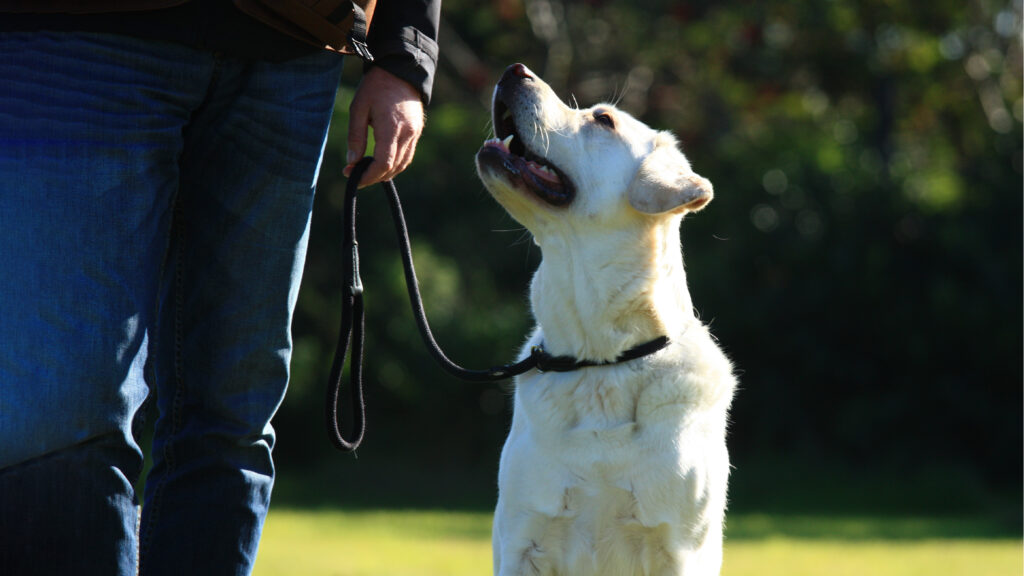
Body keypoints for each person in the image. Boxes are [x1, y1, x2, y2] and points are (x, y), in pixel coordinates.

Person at [0, 1, 439, 574]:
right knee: (63, 416)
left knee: (234, 424)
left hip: (293, 40)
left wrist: (405, 51)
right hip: (81, 31)